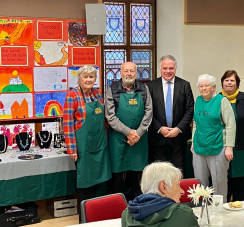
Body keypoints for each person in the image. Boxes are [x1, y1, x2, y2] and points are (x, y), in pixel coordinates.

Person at [63, 65, 112, 222]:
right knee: (86, 184)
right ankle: (85, 220)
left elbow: (104, 121)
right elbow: (67, 124)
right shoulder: (73, 95)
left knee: (101, 183)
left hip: (100, 146)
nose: (89, 80)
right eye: (86, 77)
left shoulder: (98, 94)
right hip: (83, 148)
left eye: (92, 77)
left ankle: (99, 218)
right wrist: (72, 149)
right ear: (79, 79)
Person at [105, 61, 152, 198]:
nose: (129, 74)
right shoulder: (112, 90)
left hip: (139, 139)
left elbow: (149, 112)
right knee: (118, 177)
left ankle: (137, 204)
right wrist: (129, 132)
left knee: (137, 176)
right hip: (119, 140)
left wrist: (138, 133)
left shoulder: (144, 89)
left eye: (132, 71)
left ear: (136, 73)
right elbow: (110, 116)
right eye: (126, 71)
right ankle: (118, 207)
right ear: (120, 73)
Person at [191, 74, 236, 203]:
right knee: (200, 182)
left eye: (207, 85)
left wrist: (229, 147)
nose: (204, 88)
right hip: (199, 146)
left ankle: (219, 209)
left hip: (217, 146)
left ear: (214, 87)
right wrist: (193, 141)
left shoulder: (222, 101)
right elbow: (195, 123)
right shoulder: (198, 100)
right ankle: (203, 209)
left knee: (218, 181)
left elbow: (231, 124)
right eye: (201, 86)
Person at [146, 55, 194, 173]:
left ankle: (177, 191)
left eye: (171, 68)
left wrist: (178, 129)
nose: (168, 71)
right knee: (159, 172)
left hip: (179, 137)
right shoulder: (150, 86)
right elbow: (147, 111)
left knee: (178, 171)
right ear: (160, 69)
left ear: (175, 68)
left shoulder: (184, 85)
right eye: (165, 68)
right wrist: (159, 128)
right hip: (157, 137)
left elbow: (190, 109)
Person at [121, 162, 199, 227]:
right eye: (178, 185)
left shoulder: (126, 215)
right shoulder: (183, 214)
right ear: (163, 187)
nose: (182, 191)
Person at [220, 70, 244, 202]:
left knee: (240, 177)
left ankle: (241, 205)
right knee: (224, 176)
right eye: (226, 80)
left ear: (237, 84)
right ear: (222, 83)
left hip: (242, 145)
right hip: (222, 145)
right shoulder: (217, 99)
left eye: (232, 80)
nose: (229, 83)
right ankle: (224, 204)